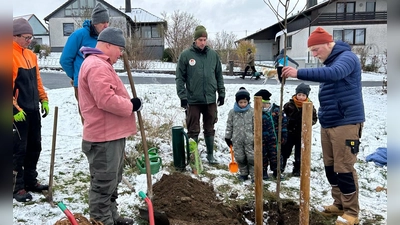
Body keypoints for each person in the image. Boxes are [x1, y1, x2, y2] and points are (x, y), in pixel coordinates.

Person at [281, 26, 365, 225]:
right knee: (330, 168)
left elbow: (334, 74)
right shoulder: (329, 62)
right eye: (312, 51)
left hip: (346, 122)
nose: (315, 54)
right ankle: (339, 203)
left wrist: (298, 73)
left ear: (329, 44)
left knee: (344, 168)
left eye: (317, 49)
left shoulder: (346, 58)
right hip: (329, 122)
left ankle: (352, 212)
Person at [78, 27, 142, 225]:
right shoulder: (96, 66)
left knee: (112, 182)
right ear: (108, 45)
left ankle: (112, 217)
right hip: (103, 137)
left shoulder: (101, 64)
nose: (121, 53)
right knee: (103, 185)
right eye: (120, 49)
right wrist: (130, 105)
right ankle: (102, 221)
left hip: (111, 135)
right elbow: (106, 99)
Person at [176, 25, 226, 164]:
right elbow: (180, 78)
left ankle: (210, 155)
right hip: (193, 99)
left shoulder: (213, 55)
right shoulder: (186, 55)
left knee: (210, 127)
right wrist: (183, 96)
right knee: (193, 129)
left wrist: (221, 93)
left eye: (204, 39)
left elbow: (219, 75)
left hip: (210, 98)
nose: (203, 42)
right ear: (195, 40)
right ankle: (193, 157)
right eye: (200, 39)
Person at [13, 18, 50, 202]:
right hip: (15, 112)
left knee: (35, 146)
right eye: (26, 37)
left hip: (32, 109)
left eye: (31, 37)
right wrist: (13, 110)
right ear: (14, 36)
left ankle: (30, 181)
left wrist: (43, 99)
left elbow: (37, 81)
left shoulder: (30, 56)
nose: (29, 41)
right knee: (17, 150)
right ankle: (16, 186)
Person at [60, 2, 109, 124]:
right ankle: (91, 143)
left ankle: (102, 142)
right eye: (103, 22)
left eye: (107, 22)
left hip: (101, 82)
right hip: (83, 85)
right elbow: (65, 60)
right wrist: (76, 76)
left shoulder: (104, 38)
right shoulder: (79, 35)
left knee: (103, 118)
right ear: (95, 22)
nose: (106, 25)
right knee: (89, 120)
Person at [281, 83, 318, 177]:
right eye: (299, 95)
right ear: (296, 94)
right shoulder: (289, 105)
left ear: (307, 96)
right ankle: (281, 166)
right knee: (285, 150)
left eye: (303, 95)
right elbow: (282, 116)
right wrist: (287, 121)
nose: (301, 97)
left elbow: (314, 119)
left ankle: (297, 168)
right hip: (289, 133)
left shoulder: (310, 106)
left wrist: (307, 124)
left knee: (300, 152)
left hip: (302, 134)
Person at [254, 89, 287, 180]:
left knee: (275, 155)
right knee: (262, 155)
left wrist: (283, 136)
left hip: (274, 139)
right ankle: (263, 171)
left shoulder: (276, 110)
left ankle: (277, 171)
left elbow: (283, 124)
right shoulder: (257, 112)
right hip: (262, 139)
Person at [224, 87, 254, 182]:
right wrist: (228, 137)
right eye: (240, 102)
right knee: (240, 157)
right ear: (237, 102)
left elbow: (256, 125)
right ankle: (243, 173)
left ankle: (254, 175)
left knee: (251, 158)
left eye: (245, 102)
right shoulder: (232, 112)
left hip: (250, 140)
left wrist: (257, 137)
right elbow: (229, 125)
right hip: (237, 140)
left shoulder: (252, 112)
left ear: (248, 102)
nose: (243, 104)